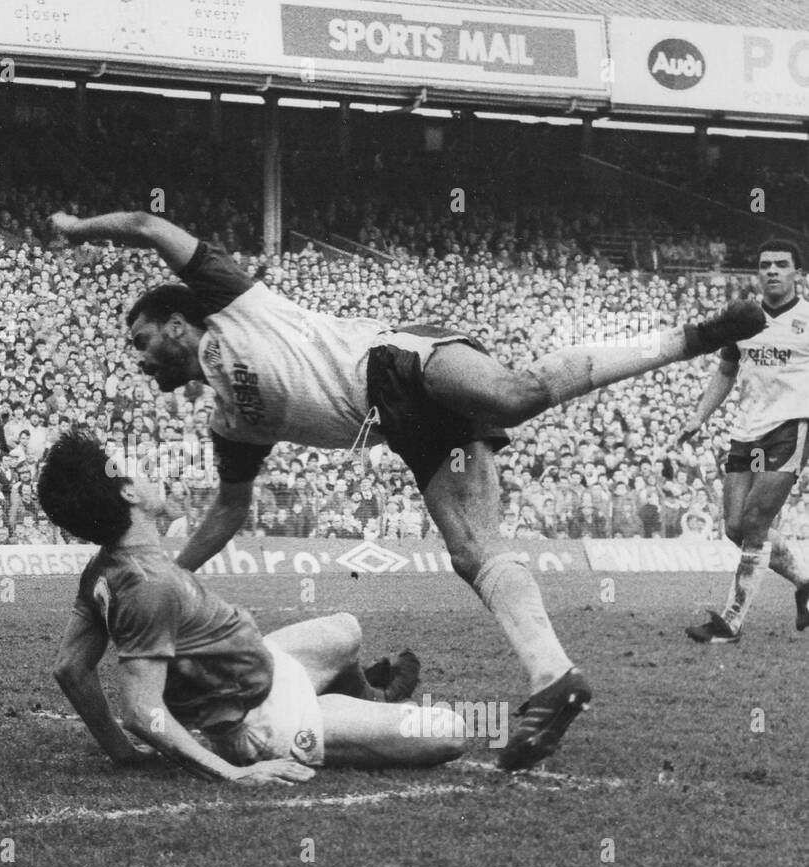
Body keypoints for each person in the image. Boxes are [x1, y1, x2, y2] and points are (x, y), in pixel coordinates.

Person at [48, 209, 766, 769]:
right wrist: (171, 571)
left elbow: (145, 228)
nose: (139, 360)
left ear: (178, 323)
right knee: (471, 552)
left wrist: (79, 230)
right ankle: (553, 677)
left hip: (397, 359)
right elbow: (231, 510)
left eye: (142, 341)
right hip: (401, 425)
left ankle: (687, 339)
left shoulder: (232, 301)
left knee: (511, 396)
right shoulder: (232, 421)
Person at [39, 429, 461, 784]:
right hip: (266, 720)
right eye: (132, 464)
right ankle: (358, 715)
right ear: (128, 491)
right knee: (449, 730)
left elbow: (70, 667)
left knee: (345, 629)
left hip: (269, 666)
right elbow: (140, 709)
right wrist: (231, 774)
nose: (149, 465)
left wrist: (121, 753)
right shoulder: (148, 586)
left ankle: (370, 702)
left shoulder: (105, 566)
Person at [678, 241, 809, 642]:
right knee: (735, 527)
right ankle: (805, 582)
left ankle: (730, 622)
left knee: (756, 522)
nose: (772, 271)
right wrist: (699, 416)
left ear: (797, 274)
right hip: (747, 434)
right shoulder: (744, 320)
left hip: (791, 428)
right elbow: (726, 371)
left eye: (781, 265)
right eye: (765, 264)